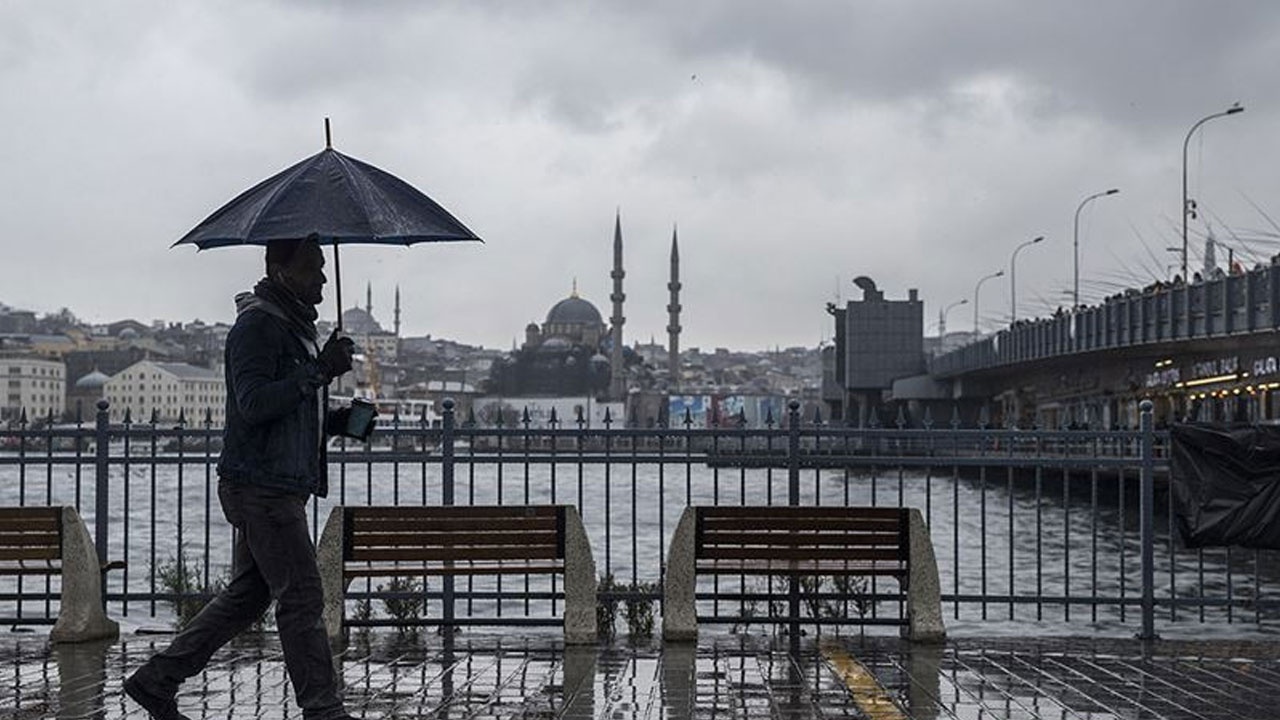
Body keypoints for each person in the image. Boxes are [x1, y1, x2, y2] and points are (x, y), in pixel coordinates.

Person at [124, 237, 374, 720]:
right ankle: (323, 711)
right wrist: (321, 369)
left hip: (275, 485)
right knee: (301, 596)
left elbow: (294, 406)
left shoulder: (294, 328)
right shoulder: (257, 326)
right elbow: (255, 403)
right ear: (282, 272)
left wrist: (344, 420)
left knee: (248, 597)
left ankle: (157, 681)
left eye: (323, 267)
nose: (322, 277)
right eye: (312, 267)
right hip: (261, 487)